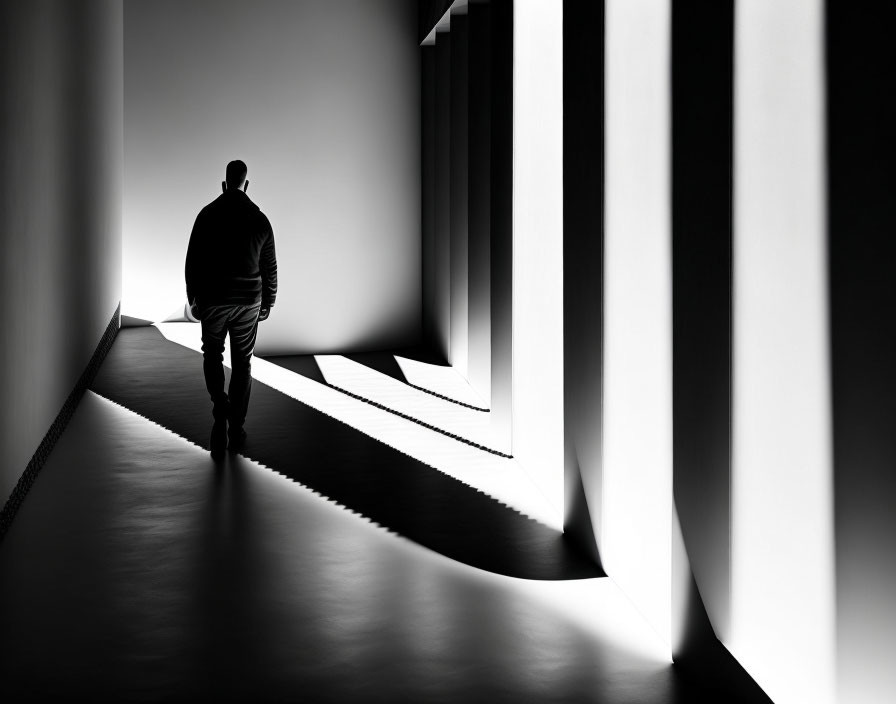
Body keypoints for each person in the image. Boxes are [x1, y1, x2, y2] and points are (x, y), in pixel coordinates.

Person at [184, 160, 277, 458]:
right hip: (249, 301)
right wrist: (268, 303)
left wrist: (193, 298)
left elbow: (192, 262)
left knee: (212, 353)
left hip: (213, 298)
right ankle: (236, 424)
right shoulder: (260, 220)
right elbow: (270, 269)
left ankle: (219, 408)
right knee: (243, 362)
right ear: (246, 185)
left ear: (223, 184)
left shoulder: (207, 215)